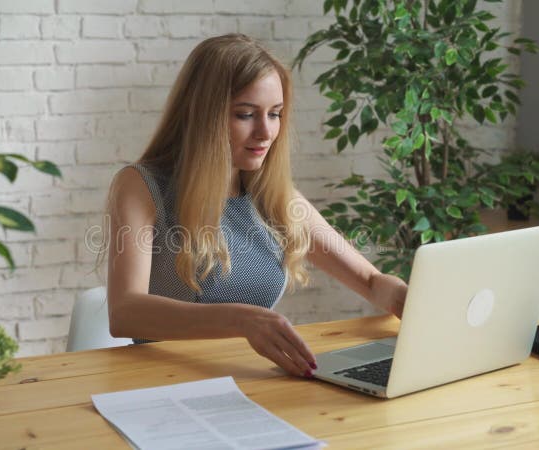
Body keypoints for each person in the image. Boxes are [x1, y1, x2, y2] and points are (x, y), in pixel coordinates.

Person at [103, 34, 407, 378]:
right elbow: (125, 311)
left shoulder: (274, 196)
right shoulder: (142, 185)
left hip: (245, 378)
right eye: (246, 114)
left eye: (275, 114)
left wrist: (400, 295)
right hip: (160, 382)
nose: (266, 132)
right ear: (204, 116)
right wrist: (241, 319)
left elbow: (370, 281)